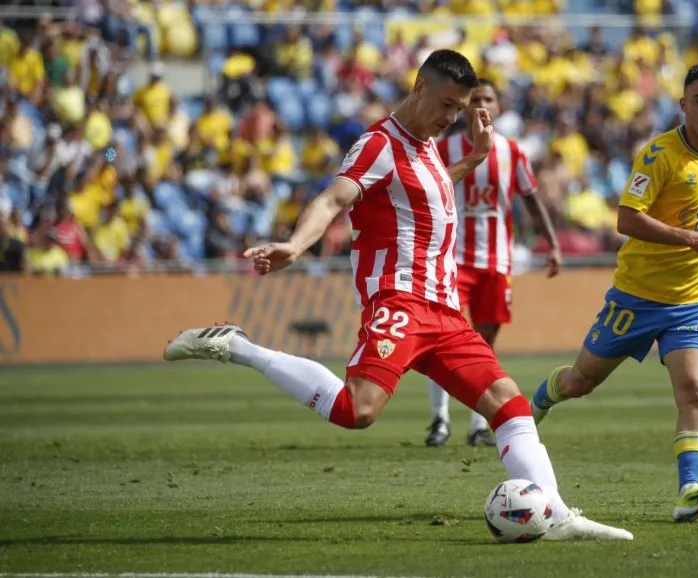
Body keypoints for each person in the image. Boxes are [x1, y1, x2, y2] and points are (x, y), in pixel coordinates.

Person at [163, 49, 632, 542]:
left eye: (460, 109)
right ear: (419, 87)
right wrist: (296, 246)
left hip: (445, 310)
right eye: (447, 104)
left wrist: (472, 158)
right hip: (399, 302)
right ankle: (239, 346)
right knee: (356, 411)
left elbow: (426, 189)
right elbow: (333, 198)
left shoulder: (429, 146)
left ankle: (556, 513)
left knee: (508, 404)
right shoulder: (377, 144)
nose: (451, 118)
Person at [530, 62, 698, 523]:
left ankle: (690, 490)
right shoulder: (658, 156)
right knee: (580, 382)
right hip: (636, 298)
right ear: (683, 105)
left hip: (692, 300)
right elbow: (626, 219)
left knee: (695, 388)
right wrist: (692, 238)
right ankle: (536, 404)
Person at [426, 79, 561, 447]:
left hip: (497, 261)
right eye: (476, 99)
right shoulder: (445, 147)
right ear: (465, 107)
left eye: (489, 98)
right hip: (452, 259)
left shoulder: (512, 152)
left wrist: (551, 243)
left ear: (498, 107)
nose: (482, 104)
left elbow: (531, 200)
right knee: (440, 339)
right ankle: (439, 420)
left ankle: (478, 425)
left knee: (484, 344)